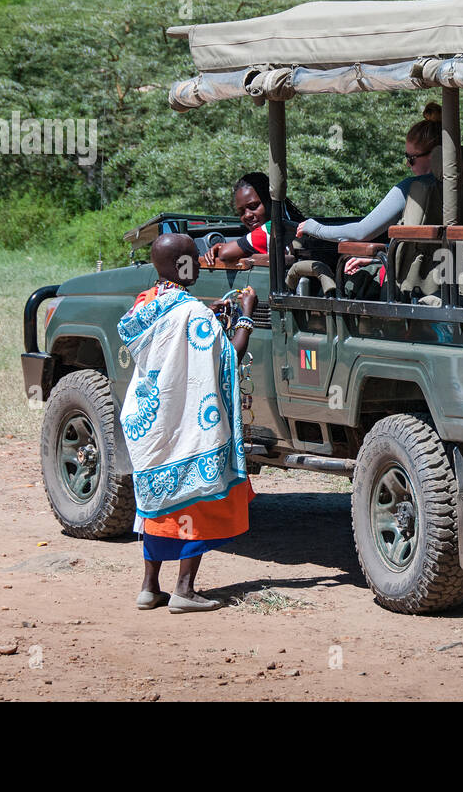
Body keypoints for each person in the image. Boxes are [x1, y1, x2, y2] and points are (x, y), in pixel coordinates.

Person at [117, 232, 258, 613]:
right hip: (184, 429)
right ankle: (184, 589)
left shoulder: (145, 304)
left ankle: (149, 587)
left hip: (150, 427)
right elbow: (230, 356)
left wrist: (205, 316)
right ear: (184, 265)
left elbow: (175, 338)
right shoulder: (191, 313)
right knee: (193, 502)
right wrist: (245, 314)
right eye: (194, 257)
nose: (199, 261)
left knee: (156, 504)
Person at [295, 101, 442, 276]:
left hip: (418, 278)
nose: (407, 164)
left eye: (411, 158)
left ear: (434, 154)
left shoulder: (412, 187)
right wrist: (379, 255)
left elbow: (361, 232)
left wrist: (316, 228)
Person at [199, 172, 273, 266]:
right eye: (241, 212)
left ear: (270, 202)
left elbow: (225, 253)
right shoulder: (284, 225)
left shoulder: (271, 229)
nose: (247, 215)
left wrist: (222, 248)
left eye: (254, 206)